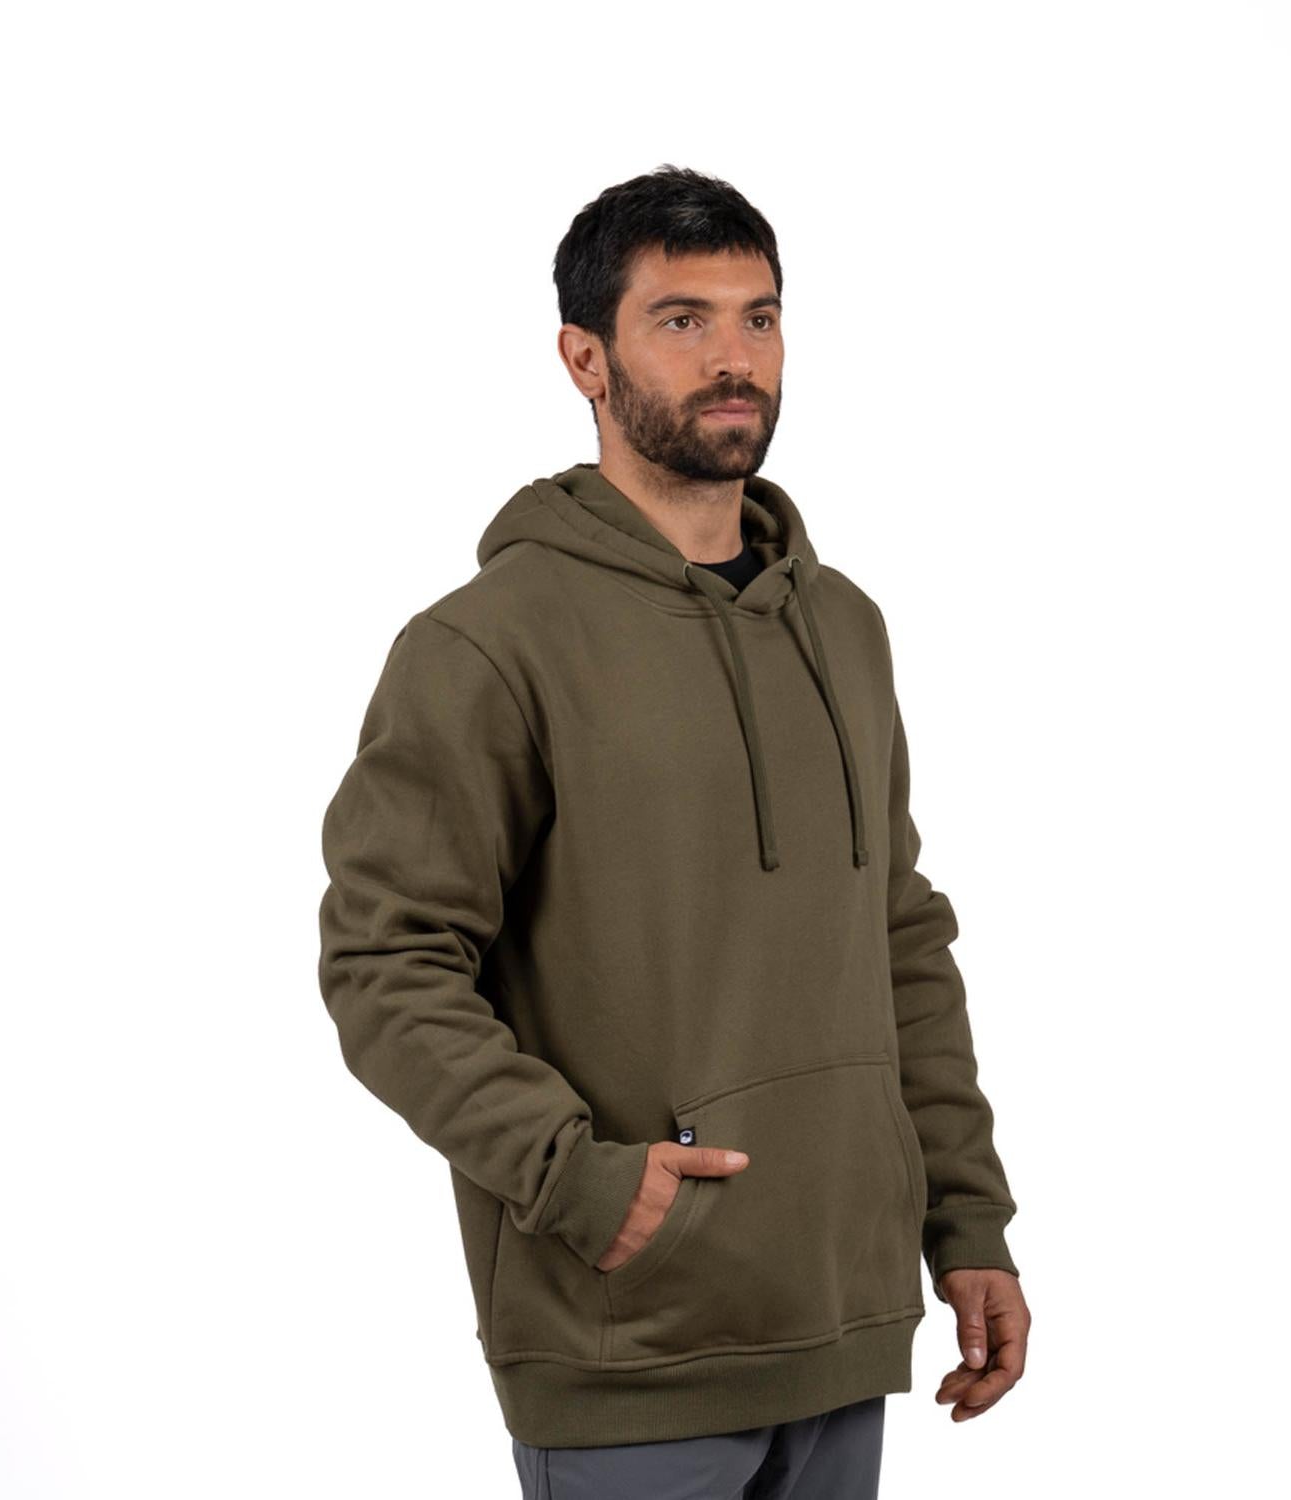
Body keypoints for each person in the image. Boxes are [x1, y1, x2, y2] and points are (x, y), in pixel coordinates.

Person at [317, 164, 1030, 1499]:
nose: (733, 358)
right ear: (585, 358)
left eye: (759, 318)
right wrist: (572, 1177)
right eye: (683, 320)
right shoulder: (488, 645)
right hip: (627, 1344)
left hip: (843, 1318)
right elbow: (384, 961)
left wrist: (966, 1219)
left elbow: (899, 938)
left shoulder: (843, 626)